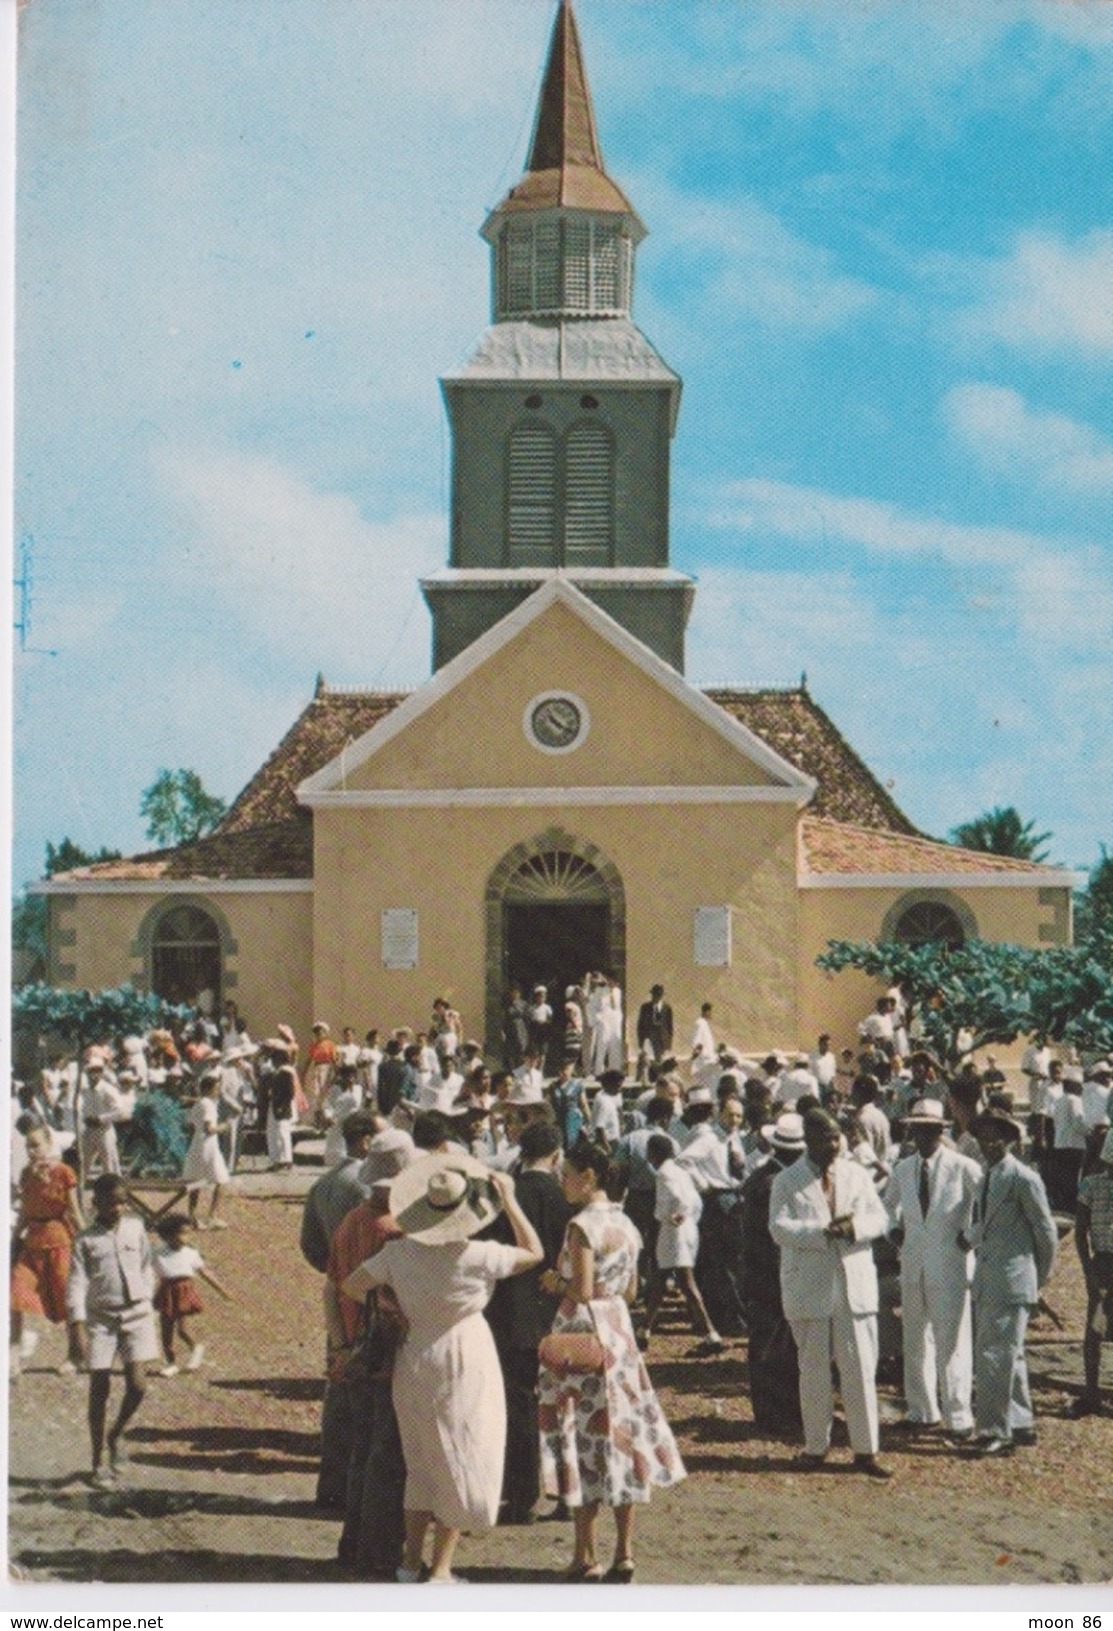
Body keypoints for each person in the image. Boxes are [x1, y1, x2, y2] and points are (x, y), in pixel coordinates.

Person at [342, 1152, 543, 1583]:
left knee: (421, 1459)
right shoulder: (479, 1255)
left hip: (416, 1348)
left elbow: (352, 1284)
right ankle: (442, 1567)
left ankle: (410, 1561)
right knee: (461, 1451)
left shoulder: (398, 1254)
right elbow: (534, 1252)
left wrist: (394, 1308)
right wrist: (509, 1199)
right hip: (465, 1349)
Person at [537, 1137, 685, 1582]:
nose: (562, 1182)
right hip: (618, 1330)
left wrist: (553, 1281)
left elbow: (580, 1289)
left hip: (583, 1329)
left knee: (582, 1438)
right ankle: (625, 1551)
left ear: (588, 1178)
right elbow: (634, 1289)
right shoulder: (627, 1223)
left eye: (567, 1175)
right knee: (622, 1436)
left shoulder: (581, 1226)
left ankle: (586, 1554)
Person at [769, 1107, 891, 1478]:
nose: (834, 1144)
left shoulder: (856, 1175)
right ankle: (815, 1447)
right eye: (825, 1138)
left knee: (859, 1370)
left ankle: (866, 1450)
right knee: (814, 1371)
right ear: (808, 1140)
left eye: (837, 1136)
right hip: (810, 1284)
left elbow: (881, 1218)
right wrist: (823, 1231)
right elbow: (778, 1228)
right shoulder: (787, 1181)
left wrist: (853, 1227)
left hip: (854, 1285)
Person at [484, 1120, 573, 1524]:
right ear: (556, 1155)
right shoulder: (562, 1196)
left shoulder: (505, 1195)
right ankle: (567, 1490)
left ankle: (518, 1492)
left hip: (506, 1309)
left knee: (514, 1404)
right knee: (561, 1404)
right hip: (552, 1309)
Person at [884, 1098, 981, 1438]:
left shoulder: (963, 1167)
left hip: (950, 1265)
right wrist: (893, 1230)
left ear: (941, 1131)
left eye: (930, 1130)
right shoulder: (903, 1169)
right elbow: (886, 1207)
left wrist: (970, 1238)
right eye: (917, 1130)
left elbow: (987, 1209)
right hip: (913, 1266)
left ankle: (958, 1417)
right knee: (915, 1339)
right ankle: (922, 1410)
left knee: (951, 1341)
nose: (923, 1137)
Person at [965, 1108, 1058, 1456]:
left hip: (1012, 1279)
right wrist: (971, 1238)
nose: (988, 1144)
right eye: (983, 1137)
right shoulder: (989, 1176)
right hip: (991, 1278)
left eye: (995, 1137)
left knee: (993, 1356)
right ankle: (1020, 1422)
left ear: (1011, 1140)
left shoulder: (1023, 1177)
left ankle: (994, 1430)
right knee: (1011, 1354)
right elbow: (990, 1223)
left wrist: (1038, 1277)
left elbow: (1046, 1232)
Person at [300, 1111, 376, 1509]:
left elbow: (310, 1245)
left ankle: (330, 1485)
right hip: (366, 1297)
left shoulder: (323, 1184)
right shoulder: (366, 1187)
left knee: (338, 1388)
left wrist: (334, 1271)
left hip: (339, 1293)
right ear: (364, 1141)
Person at [66, 1174, 159, 1489]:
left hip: (136, 1315)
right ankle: (97, 1459)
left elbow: (147, 1264)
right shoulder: (85, 1239)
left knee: (139, 1385)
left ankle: (116, 1433)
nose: (118, 1208)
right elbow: (77, 1285)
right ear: (96, 1205)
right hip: (101, 1321)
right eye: (110, 1203)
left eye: (123, 1201)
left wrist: (146, 1295)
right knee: (99, 1387)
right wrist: (77, 1328)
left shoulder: (136, 1228)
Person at [739, 1113, 805, 1434]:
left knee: (769, 1345)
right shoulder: (773, 1185)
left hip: (759, 1273)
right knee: (774, 1346)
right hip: (770, 1275)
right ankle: (776, 1415)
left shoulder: (762, 1178)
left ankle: (773, 1412)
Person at [10, 1125, 84, 1376]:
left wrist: (86, 1239)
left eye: (36, 1145)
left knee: (67, 1300)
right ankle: (12, 1354)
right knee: (14, 1293)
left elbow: (73, 1211)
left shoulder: (64, 1172)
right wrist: (13, 1236)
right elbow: (24, 1209)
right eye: (28, 1146)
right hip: (31, 1241)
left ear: (48, 1143)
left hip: (59, 1241)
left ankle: (75, 1355)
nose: (32, 1151)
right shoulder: (26, 1174)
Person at [643, 1133, 722, 1354]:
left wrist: (669, 1216)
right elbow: (695, 1199)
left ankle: (711, 1333)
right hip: (686, 1229)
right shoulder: (680, 1171)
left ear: (655, 1153)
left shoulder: (664, 1173)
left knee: (686, 1282)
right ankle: (645, 1330)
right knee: (660, 1278)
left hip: (674, 1230)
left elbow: (674, 1199)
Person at [153, 1213, 231, 1376]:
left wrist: (222, 1290)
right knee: (165, 1330)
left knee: (182, 1329)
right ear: (168, 1235)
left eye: (188, 1233)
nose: (186, 1237)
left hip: (183, 1290)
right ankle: (170, 1362)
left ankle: (196, 1347)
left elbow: (205, 1272)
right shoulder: (158, 1252)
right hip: (166, 1291)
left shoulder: (190, 1253)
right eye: (181, 1233)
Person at [1072, 1124, 1113, 1418]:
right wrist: (1088, 1271)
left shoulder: (1091, 1183)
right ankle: (1091, 1393)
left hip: (1101, 1262)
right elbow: (1079, 1232)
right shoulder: (1091, 1185)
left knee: (1097, 1328)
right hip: (1102, 1261)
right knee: (1095, 1328)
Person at [182, 1069, 238, 1230]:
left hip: (197, 1143)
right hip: (208, 1145)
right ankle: (211, 1216)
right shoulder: (208, 1105)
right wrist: (225, 1126)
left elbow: (190, 1124)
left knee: (196, 1180)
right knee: (221, 1179)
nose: (218, 1091)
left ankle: (192, 1215)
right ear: (208, 1089)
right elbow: (209, 1129)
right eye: (216, 1088)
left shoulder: (199, 1103)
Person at [635, 985, 674, 1086]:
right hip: (648, 1037)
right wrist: (640, 1041)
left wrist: (668, 1043)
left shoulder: (667, 1008)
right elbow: (640, 1025)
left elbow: (669, 1026)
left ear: (661, 996)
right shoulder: (645, 1007)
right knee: (646, 1059)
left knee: (659, 1061)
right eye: (654, 995)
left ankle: (657, 1081)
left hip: (661, 1039)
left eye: (658, 995)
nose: (656, 997)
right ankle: (643, 1080)